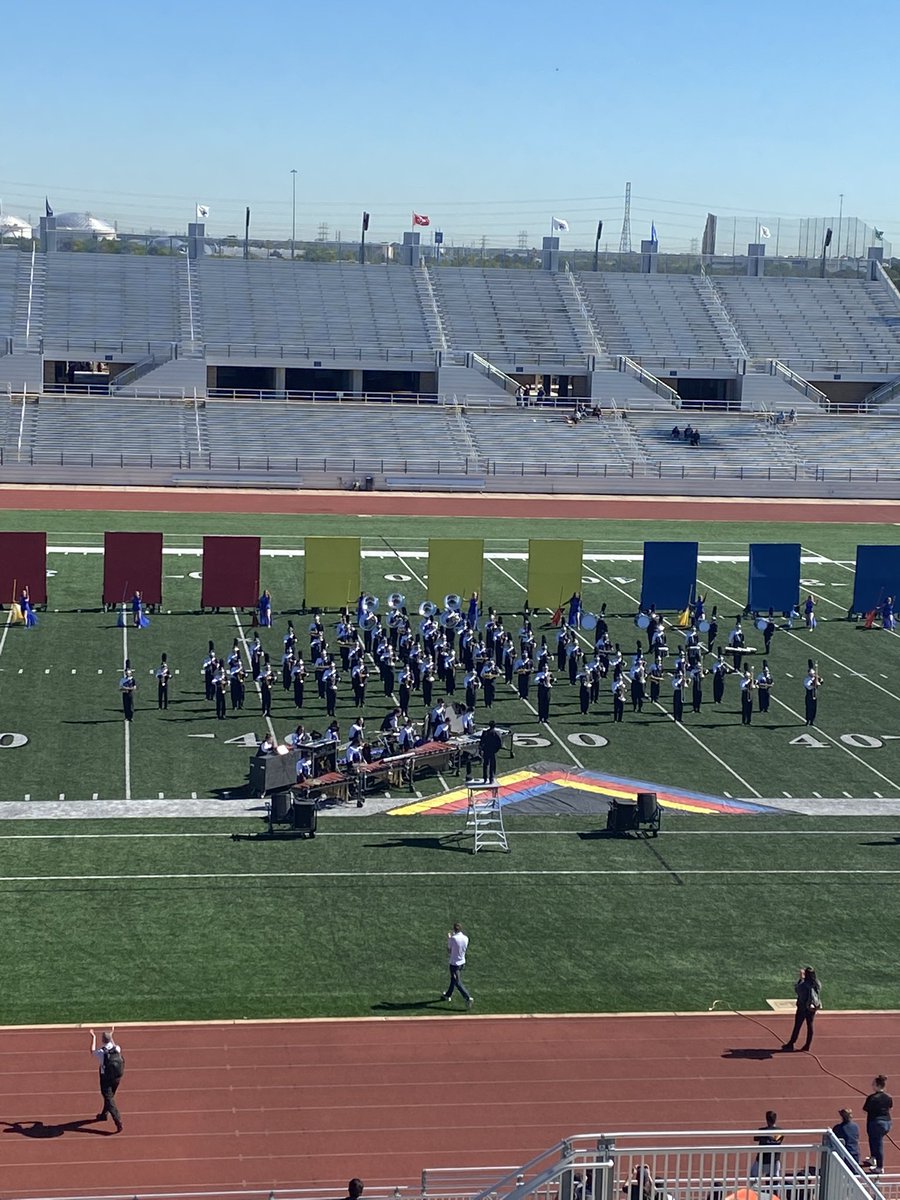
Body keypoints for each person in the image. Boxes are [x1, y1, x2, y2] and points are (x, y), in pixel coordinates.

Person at [90, 1028, 124, 1133]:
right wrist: (112, 1035)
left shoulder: (102, 1053)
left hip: (106, 1078)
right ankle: (104, 1115)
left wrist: (93, 1037)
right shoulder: (117, 1048)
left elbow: (92, 1050)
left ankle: (117, 1120)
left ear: (102, 1040)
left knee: (109, 1099)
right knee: (109, 1096)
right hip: (117, 1077)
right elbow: (113, 1044)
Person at [782, 965, 821, 1051]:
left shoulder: (804, 985)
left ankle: (791, 1043)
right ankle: (807, 1045)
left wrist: (801, 979)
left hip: (803, 1008)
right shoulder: (816, 983)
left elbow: (797, 990)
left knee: (797, 1026)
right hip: (812, 1008)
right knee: (810, 1026)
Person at [863, 1075, 893, 1173]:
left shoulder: (872, 1098)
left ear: (877, 1085)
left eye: (873, 1084)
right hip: (887, 1122)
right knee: (874, 1141)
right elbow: (890, 1107)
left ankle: (880, 1167)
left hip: (876, 1123)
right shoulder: (888, 1097)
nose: (872, 1085)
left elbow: (865, 1109)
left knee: (877, 1143)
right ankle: (873, 1158)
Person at [441, 922, 473, 1008]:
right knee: (453, 979)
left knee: (457, 982)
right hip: (462, 962)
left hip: (454, 964)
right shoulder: (466, 938)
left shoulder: (453, 939)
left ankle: (467, 997)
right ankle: (447, 995)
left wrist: (449, 938)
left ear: (454, 929)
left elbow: (449, 950)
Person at [752, 1111, 784, 1178]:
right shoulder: (780, 1131)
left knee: (753, 1178)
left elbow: (755, 1138)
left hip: (762, 1160)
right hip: (775, 1160)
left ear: (766, 1120)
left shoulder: (762, 1131)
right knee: (775, 1181)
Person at [804, 661, 822, 726]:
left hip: (815, 694)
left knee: (814, 708)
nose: (813, 675)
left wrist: (818, 679)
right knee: (809, 708)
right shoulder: (807, 680)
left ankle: (812, 720)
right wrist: (814, 682)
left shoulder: (815, 678)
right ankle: (807, 720)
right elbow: (809, 686)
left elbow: (821, 682)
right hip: (809, 695)